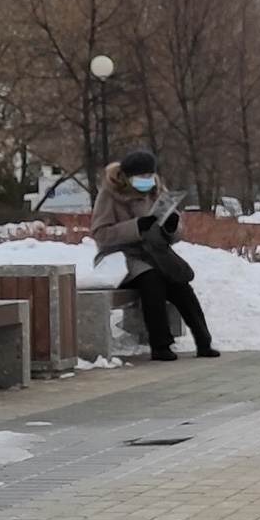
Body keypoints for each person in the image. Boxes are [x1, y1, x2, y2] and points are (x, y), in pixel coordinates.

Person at [91, 148, 220, 362]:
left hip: (155, 253)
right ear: (127, 177)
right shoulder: (110, 194)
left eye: (150, 175)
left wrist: (171, 227)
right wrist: (136, 227)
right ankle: (160, 345)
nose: (147, 180)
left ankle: (203, 341)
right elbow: (100, 234)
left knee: (180, 284)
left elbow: (174, 234)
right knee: (152, 280)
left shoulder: (156, 191)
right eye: (141, 176)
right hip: (121, 257)